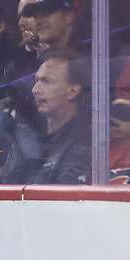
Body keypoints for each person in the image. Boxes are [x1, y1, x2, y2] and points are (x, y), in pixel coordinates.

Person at [27, 49, 91, 184]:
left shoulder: (84, 145)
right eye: (36, 80)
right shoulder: (30, 139)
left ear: (73, 91)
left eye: (46, 81)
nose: (35, 90)